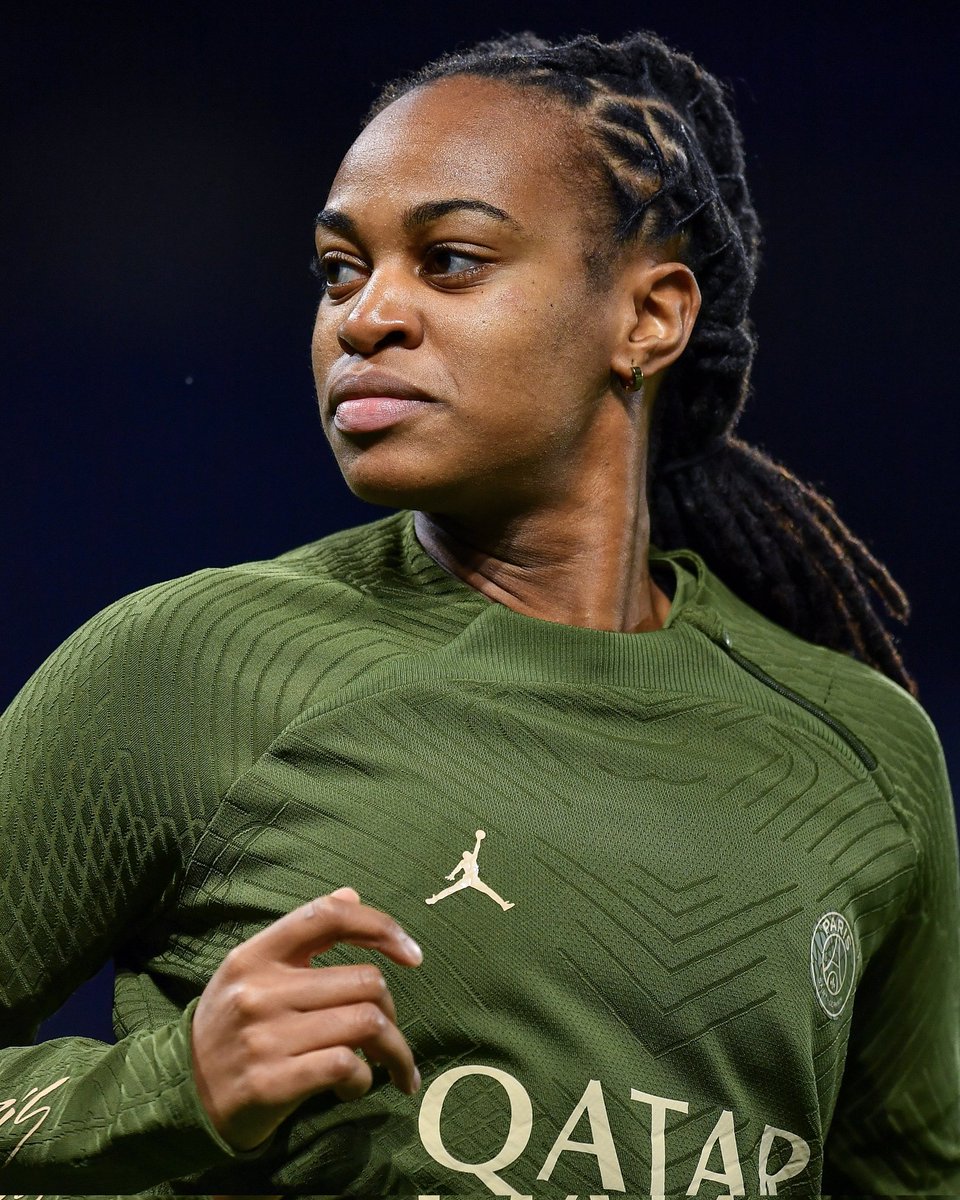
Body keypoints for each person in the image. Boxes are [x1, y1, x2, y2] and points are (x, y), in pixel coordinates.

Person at [1, 27, 957, 1199]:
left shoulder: (865, 757)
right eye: (339, 270)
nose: (365, 317)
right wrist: (169, 1088)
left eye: (449, 260)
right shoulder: (194, 666)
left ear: (649, 317)